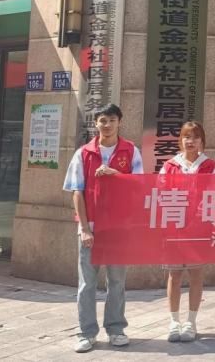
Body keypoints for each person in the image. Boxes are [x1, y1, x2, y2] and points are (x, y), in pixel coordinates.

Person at [62, 104, 144, 353]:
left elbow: (139, 185)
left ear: (120, 122)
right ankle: (86, 333)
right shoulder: (83, 153)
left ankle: (116, 329)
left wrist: (115, 174)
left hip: (119, 228)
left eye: (111, 120)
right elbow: (77, 192)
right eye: (102, 121)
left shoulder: (131, 151)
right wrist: (84, 228)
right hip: (91, 227)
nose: (106, 125)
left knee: (117, 281)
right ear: (95, 123)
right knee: (87, 283)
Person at [160, 121, 215, 343]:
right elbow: (161, 193)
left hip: (198, 229)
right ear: (180, 140)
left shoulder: (210, 166)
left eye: (195, 137)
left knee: (196, 273)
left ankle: (191, 322)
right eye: (186, 136)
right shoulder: (170, 166)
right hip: (174, 229)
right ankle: (174, 321)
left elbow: (214, 195)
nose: (190, 141)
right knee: (174, 275)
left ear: (202, 140)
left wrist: (197, 220)